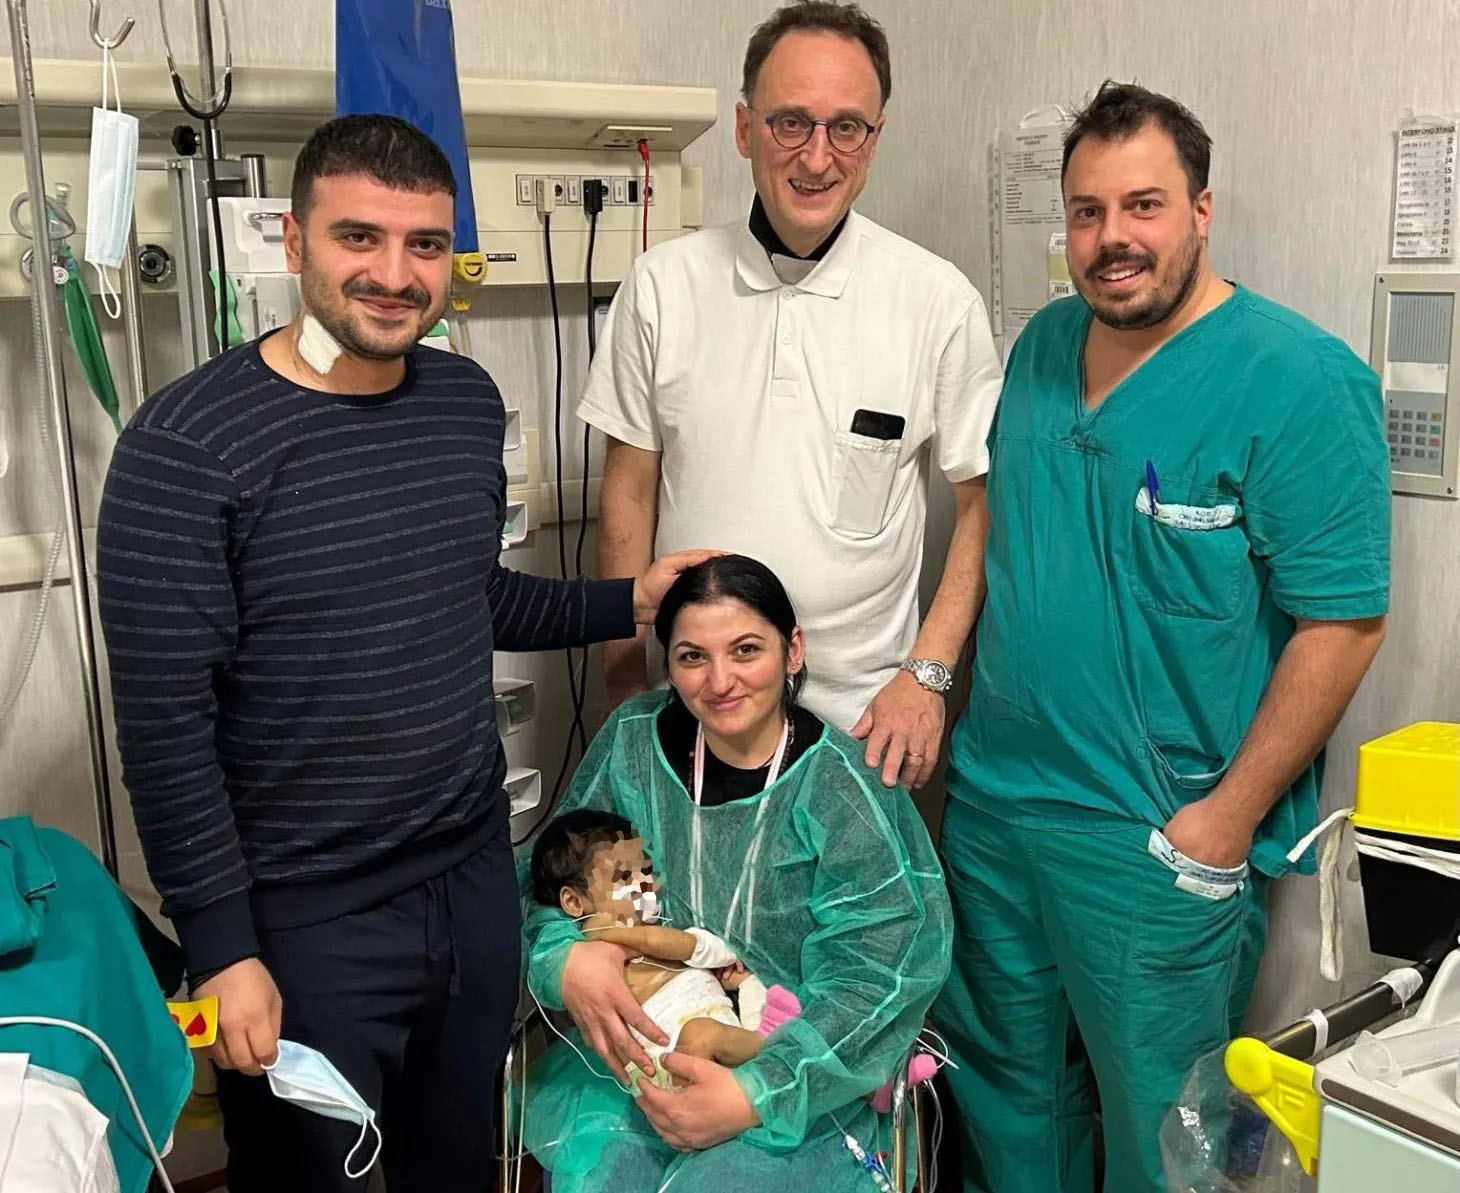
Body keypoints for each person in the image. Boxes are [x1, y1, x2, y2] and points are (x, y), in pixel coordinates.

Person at [95, 114, 710, 1193]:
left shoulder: (462, 404)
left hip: (470, 879)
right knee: (309, 1176)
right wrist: (225, 947)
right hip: (304, 916)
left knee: (458, 1161)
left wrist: (631, 599)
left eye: (424, 243)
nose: (393, 274)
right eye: (358, 237)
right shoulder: (186, 448)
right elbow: (165, 731)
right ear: (294, 240)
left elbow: (470, 596)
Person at [933, 82, 1391, 1193]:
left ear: (1200, 210)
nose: (1112, 238)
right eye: (1086, 211)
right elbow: (998, 524)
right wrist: (931, 677)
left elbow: (1343, 621)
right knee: (1003, 1095)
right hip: (998, 808)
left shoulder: (1297, 378)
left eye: (1142, 204)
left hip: (1154, 835)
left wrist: (1224, 819)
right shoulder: (1043, 346)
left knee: (1164, 1124)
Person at [582, 0, 1003, 788]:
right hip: (692, 710)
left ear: (875, 137)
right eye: (790, 123)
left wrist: (928, 675)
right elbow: (629, 491)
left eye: (847, 128)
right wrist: (624, 683)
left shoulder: (936, 301)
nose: (817, 156)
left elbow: (981, 506)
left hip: (863, 725)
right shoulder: (662, 287)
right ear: (745, 128)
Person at [519, 554, 951, 1191]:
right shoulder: (633, 745)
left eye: (746, 650)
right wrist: (567, 958)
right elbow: (551, 882)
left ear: (793, 650)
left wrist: (755, 1091)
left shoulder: (844, 791)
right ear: (669, 664)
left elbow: (880, 980)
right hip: (650, 1051)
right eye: (692, 656)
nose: (720, 681)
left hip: (806, 1073)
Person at [528, 808, 803, 1085]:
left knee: (747, 988)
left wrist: (720, 961)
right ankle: (768, 1050)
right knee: (701, 1035)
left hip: (718, 1027)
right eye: (625, 876)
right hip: (669, 1062)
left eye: (645, 872)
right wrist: (627, 934)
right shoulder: (593, 941)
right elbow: (661, 942)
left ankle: (767, 1047)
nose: (645, 885)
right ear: (574, 902)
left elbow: (692, 946)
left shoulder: (651, 932)